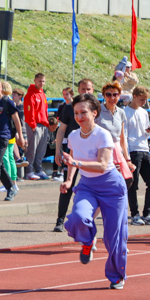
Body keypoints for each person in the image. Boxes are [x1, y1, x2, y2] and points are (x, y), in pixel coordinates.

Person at [60, 94, 130, 288]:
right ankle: (88, 241)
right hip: (87, 186)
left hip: (111, 187)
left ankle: (116, 276)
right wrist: (68, 180)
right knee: (78, 217)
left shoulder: (103, 134)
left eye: (83, 112)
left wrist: (76, 163)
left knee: (113, 236)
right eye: (76, 113)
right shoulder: (73, 136)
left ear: (94, 113)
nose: (79, 116)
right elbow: (72, 160)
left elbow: (101, 165)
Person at [53, 79, 95, 232]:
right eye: (83, 89)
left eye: (88, 89)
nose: (85, 91)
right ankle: (60, 220)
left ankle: (90, 221)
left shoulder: (97, 107)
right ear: (78, 89)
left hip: (92, 154)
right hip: (73, 151)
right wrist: (58, 150)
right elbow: (61, 129)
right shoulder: (70, 107)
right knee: (67, 185)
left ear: (92, 89)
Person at [125, 85, 150, 226]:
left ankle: (147, 214)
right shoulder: (124, 112)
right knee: (133, 184)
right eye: (142, 99)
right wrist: (126, 155)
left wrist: (148, 131)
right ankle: (134, 214)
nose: (144, 102)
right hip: (132, 150)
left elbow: (145, 133)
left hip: (145, 149)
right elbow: (124, 134)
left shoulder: (144, 113)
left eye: (145, 100)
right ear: (134, 96)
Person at [23, 73, 50, 180]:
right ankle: (29, 171)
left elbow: (45, 110)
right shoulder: (30, 95)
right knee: (32, 149)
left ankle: (38, 170)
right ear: (35, 80)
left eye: (43, 81)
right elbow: (30, 112)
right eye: (40, 81)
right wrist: (33, 125)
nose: (42, 83)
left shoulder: (43, 94)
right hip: (34, 125)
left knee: (41, 149)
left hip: (43, 125)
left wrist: (47, 123)